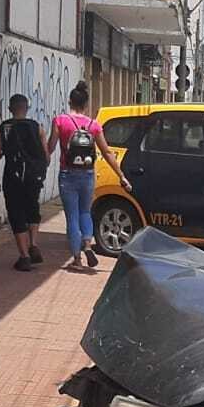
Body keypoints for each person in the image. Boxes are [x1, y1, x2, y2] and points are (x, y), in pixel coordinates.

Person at [48, 83, 129, 271]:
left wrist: (43, 158)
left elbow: (51, 147)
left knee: (72, 216)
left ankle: (77, 259)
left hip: (67, 174)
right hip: (88, 174)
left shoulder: (60, 121)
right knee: (85, 212)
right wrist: (121, 175)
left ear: (70, 102)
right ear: (86, 104)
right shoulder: (94, 125)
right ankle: (86, 243)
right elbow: (107, 152)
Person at [0, 93, 49, 271]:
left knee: (16, 214)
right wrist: (39, 171)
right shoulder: (37, 127)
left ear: (10, 108)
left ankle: (24, 257)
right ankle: (33, 244)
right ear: (27, 108)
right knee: (32, 209)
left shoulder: (3, 128)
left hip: (12, 177)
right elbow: (46, 156)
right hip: (33, 177)